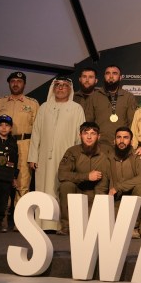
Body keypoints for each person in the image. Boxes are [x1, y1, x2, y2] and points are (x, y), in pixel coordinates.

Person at [27, 75, 84, 232]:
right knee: (43, 188)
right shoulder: (44, 107)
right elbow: (36, 133)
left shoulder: (76, 108)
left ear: (70, 89)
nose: (60, 88)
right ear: (53, 88)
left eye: (64, 85)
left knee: (62, 188)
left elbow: (79, 136)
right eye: (57, 85)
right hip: (43, 157)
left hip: (65, 157)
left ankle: (59, 224)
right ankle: (42, 223)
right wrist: (33, 157)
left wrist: (76, 160)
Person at [0, 71, 39, 212]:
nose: (16, 84)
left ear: (24, 84)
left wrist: (35, 153)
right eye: (13, 81)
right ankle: (2, 216)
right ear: (9, 83)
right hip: (3, 144)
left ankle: (21, 217)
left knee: (22, 183)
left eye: (19, 81)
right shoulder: (0, 103)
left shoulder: (33, 103)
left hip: (24, 145)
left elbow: (38, 130)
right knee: (2, 180)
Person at [57, 121, 111, 235]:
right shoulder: (73, 151)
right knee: (65, 186)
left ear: (98, 136)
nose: (89, 137)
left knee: (91, 228)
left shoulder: (107, 151)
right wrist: (86, 176)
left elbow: (123, 151)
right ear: (80, 135)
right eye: (86, 133)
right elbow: (62, 174)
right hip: (78, 192)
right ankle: (66, 226)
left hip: (99, 193)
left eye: (93, 133)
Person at [107, 126, 141, 238]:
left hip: (135, 201)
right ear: (114, 140)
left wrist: (118, 187)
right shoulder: (108, 157)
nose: (122, 141)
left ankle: (133, 226)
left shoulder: (139, 155)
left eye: (125, 137)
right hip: (116, 201)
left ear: (131, 141)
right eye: (119, 137)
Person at [89, 64, 138, 147]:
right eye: (108, 73)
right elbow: (89, 123)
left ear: (120, 77)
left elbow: (132, 124)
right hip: (99, 146)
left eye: (115, 73)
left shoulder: (128, 97)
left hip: (121, 145)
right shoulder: (94, 96)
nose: (111, 76)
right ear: (104, 76)